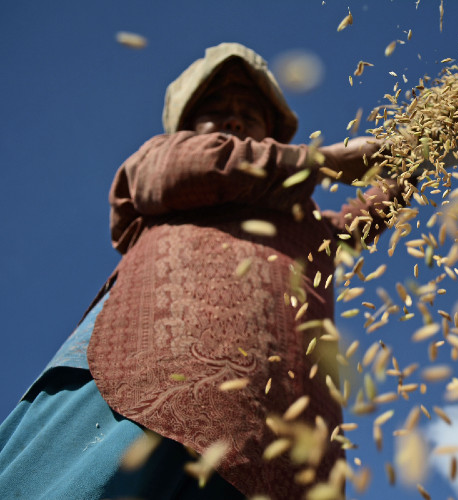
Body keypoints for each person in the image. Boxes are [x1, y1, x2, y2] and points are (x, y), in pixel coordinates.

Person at [0, 42, 411, 499]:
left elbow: (361, 220)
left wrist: (420, 154)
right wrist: (325, 161)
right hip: (148, 382)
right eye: (215, 111)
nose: (234, 120)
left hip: (271, 436)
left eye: (250, 115)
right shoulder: (166, 156)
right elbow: (192, 167)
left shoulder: (305, 224)